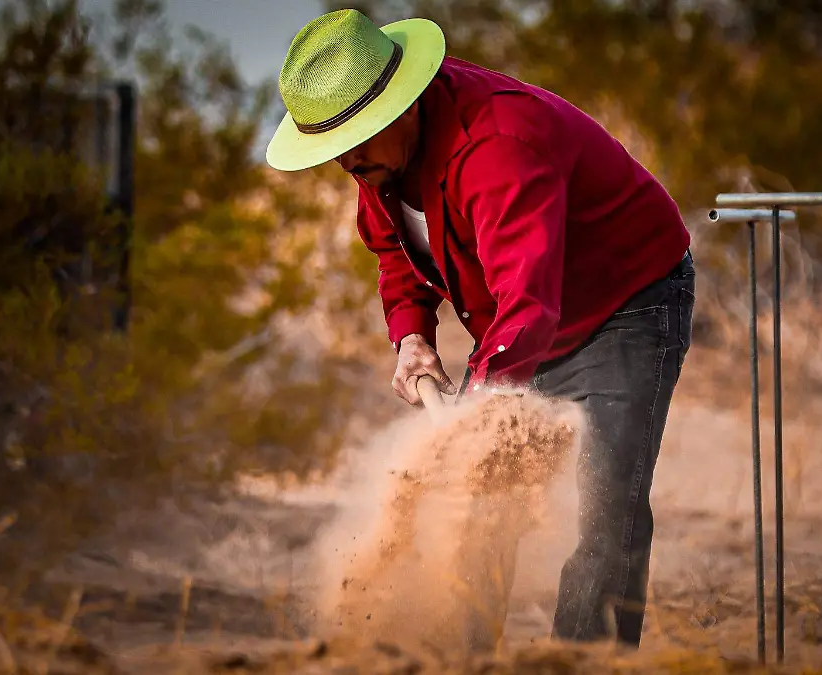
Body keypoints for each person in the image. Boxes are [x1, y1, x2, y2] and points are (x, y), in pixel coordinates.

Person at [266, 8, 695, 649]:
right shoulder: (377, 163)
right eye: (335, 147)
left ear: (403, 103)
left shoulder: (499, 142)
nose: (348, 160)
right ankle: (461, 660)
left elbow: (529, 306)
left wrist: (473, 419)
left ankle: (586, 662)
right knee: (473, 509)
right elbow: (397, 255)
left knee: (607, 503)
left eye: (357, 137)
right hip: (518, 320)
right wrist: (412, 336)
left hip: (625, 304)